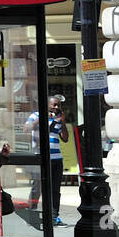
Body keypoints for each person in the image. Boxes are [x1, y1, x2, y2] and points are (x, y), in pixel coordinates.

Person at [28, 96, 67, 225]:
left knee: (55, 189)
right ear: (47, 104)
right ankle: (32, 213)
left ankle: (54, 216)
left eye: (58, 105)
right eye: (54, 105)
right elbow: (27, 128)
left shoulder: (58, 119)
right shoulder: (35, 115)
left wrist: (62, 122)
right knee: (38, 187)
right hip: (41, 158)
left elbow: (65, 138)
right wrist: (44, 117)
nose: (56, 107)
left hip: (56, 159)